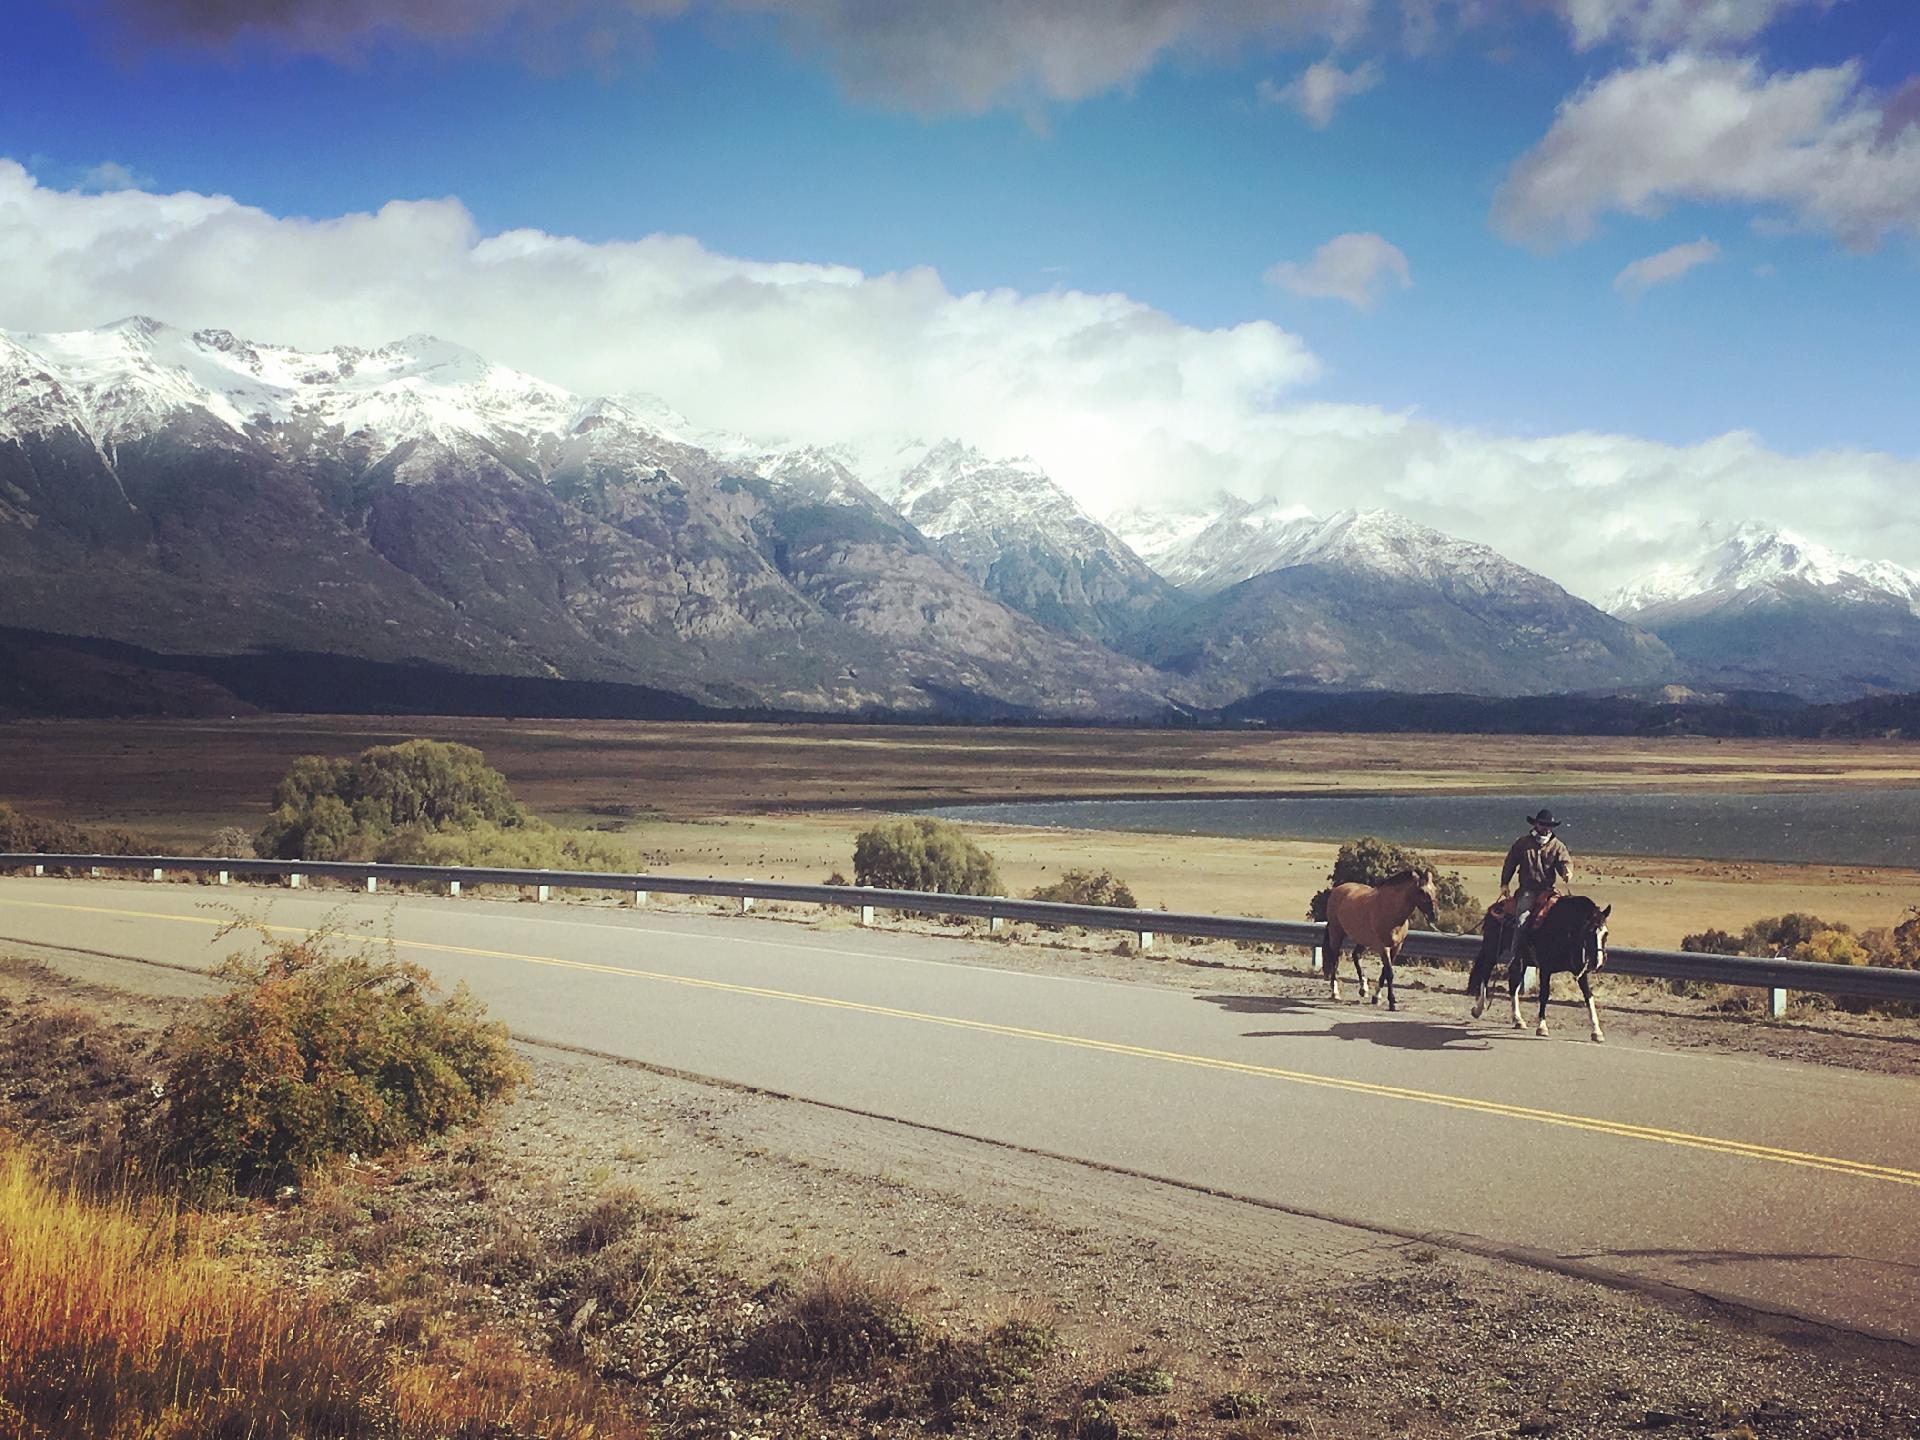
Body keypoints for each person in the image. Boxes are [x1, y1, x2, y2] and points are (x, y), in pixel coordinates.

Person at [1499, 809, 1571, 965]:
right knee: (1522, 920)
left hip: (1548, 891)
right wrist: (1504, 883)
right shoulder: (1522, 843)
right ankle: (1515, 957)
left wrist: (1567, 871)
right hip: (1528, 891)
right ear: (1536, 824)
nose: (1546, 828)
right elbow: (1510, 863)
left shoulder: (1558, 847)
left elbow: (1564, 862)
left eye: (1549, 825)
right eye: (1543, 824)